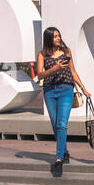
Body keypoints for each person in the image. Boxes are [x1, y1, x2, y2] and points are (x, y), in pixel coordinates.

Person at [34, 27, 88, 177]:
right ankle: (65, 151)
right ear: (49, 38)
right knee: (55, 124)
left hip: (66, 89)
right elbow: (40, 74)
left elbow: (73, 71)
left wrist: (83, 88)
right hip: (50, 91)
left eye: (59, 36)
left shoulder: (66, 51)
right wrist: (55, 68)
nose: (58, 38)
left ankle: (58, 160)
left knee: (61, 124)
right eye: (55, 36)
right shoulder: (42, 54)